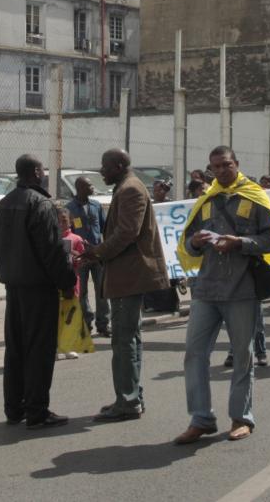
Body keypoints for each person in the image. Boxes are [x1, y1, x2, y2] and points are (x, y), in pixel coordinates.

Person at [174, 146, 270, 443]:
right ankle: (201, 419)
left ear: (237, 164)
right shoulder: (206, 200)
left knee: (242, 356)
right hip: (206, 289)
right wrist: (196, 243)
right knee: (194, 353)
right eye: (216, 167)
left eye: (226, 165)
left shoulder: (254, 196)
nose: (221, 171)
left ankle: (241, 418)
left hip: (241, 289)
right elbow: (188, 242)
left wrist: (240, 242)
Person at [0, 154, 76, 429]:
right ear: (37, 172)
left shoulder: (4, 203)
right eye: (43, 170)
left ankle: (14, 408)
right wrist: (67, 282)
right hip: (39, 288)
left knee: (15, 349)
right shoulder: (40, 204)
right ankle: (37, 411)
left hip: (13, 286)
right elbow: (51, 250)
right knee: (39, 349)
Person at [85, 149, 170, 422]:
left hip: (128, 276)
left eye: (105, 166)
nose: (101, 171)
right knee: (129, 339)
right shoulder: (126, 187)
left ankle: (128, 401)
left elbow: (127, 232)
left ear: (119, 166)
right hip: (126, 276)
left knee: (124, 341)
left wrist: (97, 252)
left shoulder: (130, 189)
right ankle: (131, 397)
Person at [67, 177, 109, 337]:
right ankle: (86, 324)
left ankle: (103, 324)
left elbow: (105, 228)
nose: (92, 187)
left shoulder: (96, 206)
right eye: (89, 185)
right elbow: (68, 233)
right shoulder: (69, 208)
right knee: (82, 292)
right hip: (81, 257)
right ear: (79, 188)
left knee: (102, 290)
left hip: (97, 255)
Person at [56, 206, 86, 360]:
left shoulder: (76, 239)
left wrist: (76, 257)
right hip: (54, 283)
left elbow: (82, 259)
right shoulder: (50, 238)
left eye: (64, 221)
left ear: (70, 222)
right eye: (58, 221)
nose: (61, 224)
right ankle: (56, 347)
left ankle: (69, 347)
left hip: (71, 282)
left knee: (70, 315)